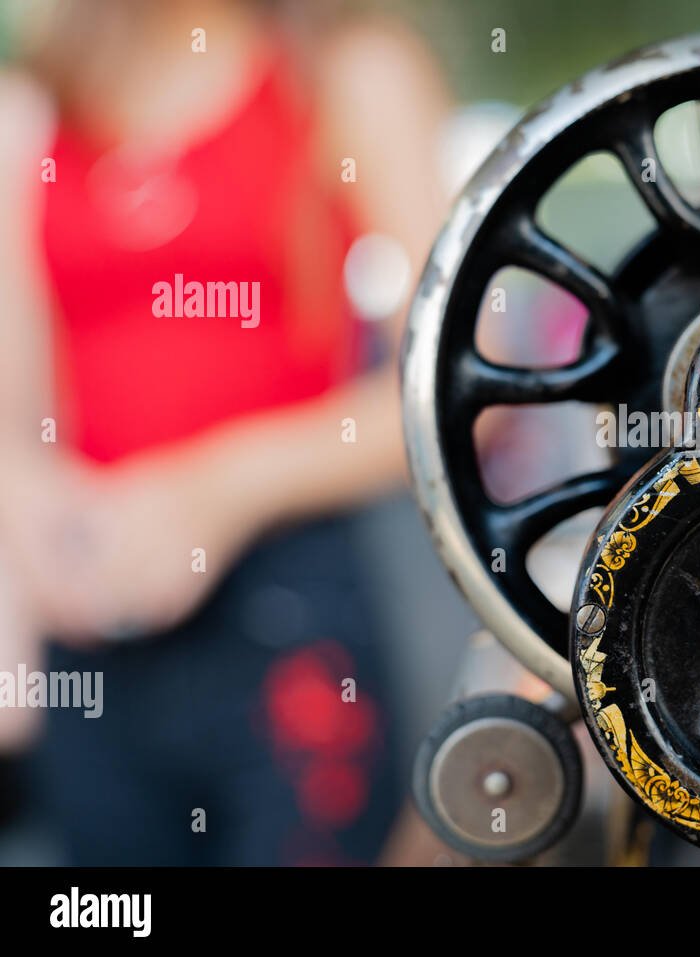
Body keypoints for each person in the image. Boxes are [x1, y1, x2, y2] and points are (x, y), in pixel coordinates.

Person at [0, 0, 452, 864]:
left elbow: (459, 381)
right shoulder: (33, 113)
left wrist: (220, 486)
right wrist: (33, 510)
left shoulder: (345, 72)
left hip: (297, 599)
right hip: (91, 610)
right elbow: (12, 418)